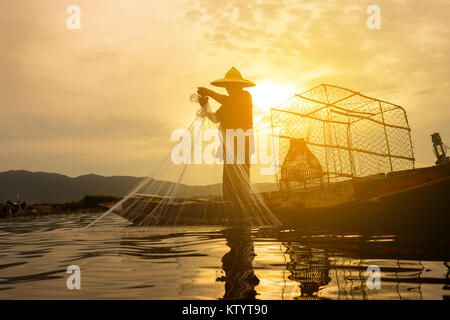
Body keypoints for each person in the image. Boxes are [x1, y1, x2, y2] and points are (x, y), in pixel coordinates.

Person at [197, 67, 255, 204]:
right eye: (228, 86)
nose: (229, 88)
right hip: (229, 145)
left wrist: (208, 92)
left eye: (232, 85)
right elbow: (216, 118)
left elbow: (226, 100)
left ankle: (244, 205)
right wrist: (205, 106)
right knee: (229, 179)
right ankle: (231, 205)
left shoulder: (245, 96)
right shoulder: (227, 104)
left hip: (243, 142)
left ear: (239, 86)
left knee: (241, 176)